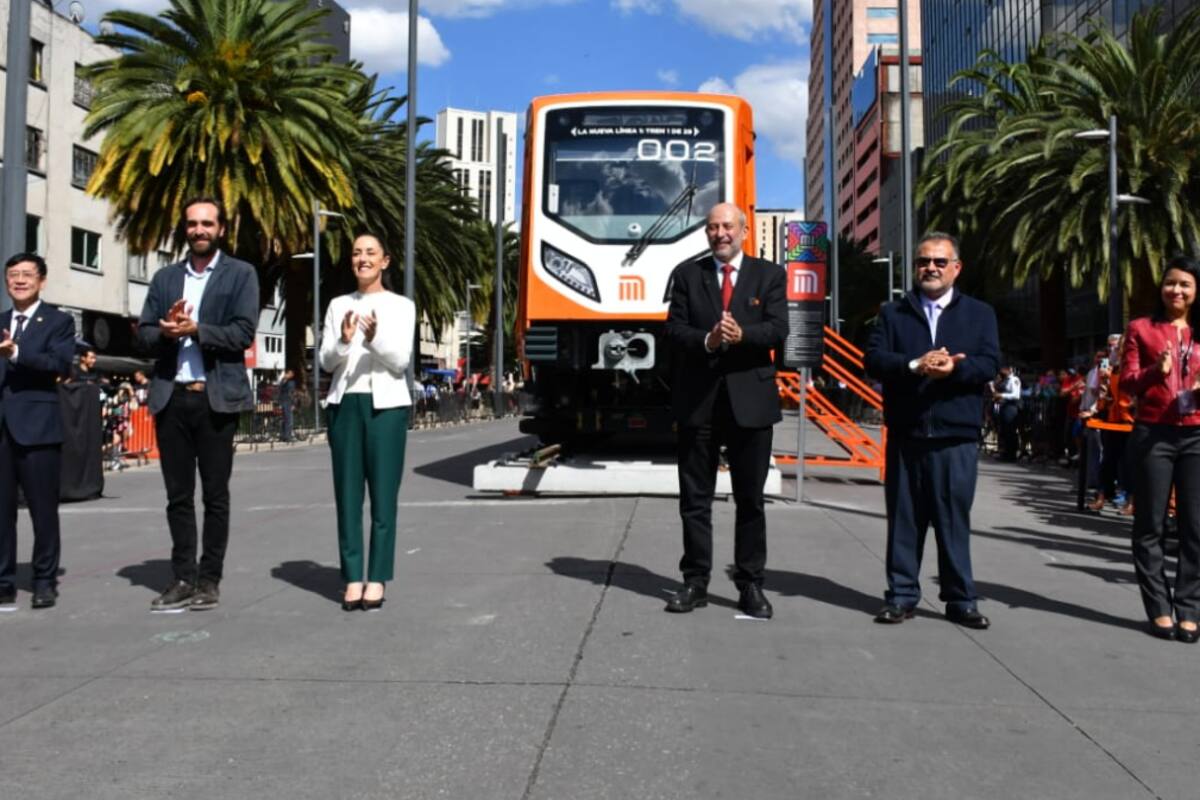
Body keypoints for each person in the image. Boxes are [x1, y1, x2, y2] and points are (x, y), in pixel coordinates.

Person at [864, 232, 1000, 629]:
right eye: (924, 261)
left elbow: (989, 363)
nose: (931, 268)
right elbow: (873, 359)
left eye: (940, 262)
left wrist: (955, 368)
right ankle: (901, 595)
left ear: (956, 268)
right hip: (907, 432)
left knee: (952, 519)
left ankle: (960, 599)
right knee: (905, 518)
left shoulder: (979, 314)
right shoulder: (893, 313)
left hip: (955, 434)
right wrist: (914, 365)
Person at [663, 202, 788, 619]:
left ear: (744, 231)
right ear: (707, 233)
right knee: (694, 500)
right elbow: (674, 331)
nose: (721, 233)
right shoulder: (686, 275)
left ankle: (750, 584)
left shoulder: (769, 275)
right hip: (698, 402)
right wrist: (709, 341)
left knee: (750, 500)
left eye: (728, 226)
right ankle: (695, 582)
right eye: (713, 227)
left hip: (750, 404)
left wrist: (742, 335)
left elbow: (778, 328)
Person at [137, 197, 259, 612]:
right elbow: (144, 335)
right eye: (192, 224)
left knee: (216, 495)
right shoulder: (166, 278)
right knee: (177, 496)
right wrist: (168, 333)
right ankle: (182, 576)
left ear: (221, 228)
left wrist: (198, 329)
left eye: (207, 223)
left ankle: (209, 579)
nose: (199, 230)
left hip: (215, 399)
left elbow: (243, 332)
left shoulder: (241, 274)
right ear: (184, 229)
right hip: (171, 397)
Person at [320, 234, 414, 611]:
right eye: (357, 253)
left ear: (385, 261)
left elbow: (400, 361)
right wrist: (344, 341)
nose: (362, 259)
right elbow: (327, 361)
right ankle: (352, 577)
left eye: (370, 253)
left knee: (383, 498)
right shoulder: (337, 305)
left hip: (387, 407)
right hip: (345, 405)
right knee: (347, 497)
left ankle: (377, 578)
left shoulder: (401, 306)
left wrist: (373, 338)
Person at [1120, 255, 1200, 643]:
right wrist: (1157, 372)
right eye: (1171, 283)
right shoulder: (1141, 329)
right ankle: (1158, 608)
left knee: (1195, 527)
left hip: (1196, 435)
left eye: (1185, 284)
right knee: (1150, 524)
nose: (1177, 290)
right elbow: (1127, 385)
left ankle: (1189, 607)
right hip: (1154, 433)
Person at [0, 253, 76, 609]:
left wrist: (15, 352)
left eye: (26, 274)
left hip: (38, 430)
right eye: (12, 274)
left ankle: (44, 580)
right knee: (1, 512)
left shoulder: (58, 322)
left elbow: (58, 364)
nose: (19, 280)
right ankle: (4, 581)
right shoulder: (0, 320)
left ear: (41, 280)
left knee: (43, 510)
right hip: (2, 431)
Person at [993, 364, 1021, 460]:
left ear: (1009, 370)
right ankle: (1005, 452)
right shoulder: (1004, 380)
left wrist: (1002, 395)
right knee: (1004, 430)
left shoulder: (1014, 380)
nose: (1002, 371)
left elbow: (1016, 395)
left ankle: (1012, 454)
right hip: (1003, 407)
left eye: (1003, 369)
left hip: (1011, 407)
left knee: (1010, 430)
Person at [277, 368, 296, 441]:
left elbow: (292, 393)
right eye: (289, 373)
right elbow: (291, 393)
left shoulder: (289, 382)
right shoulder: (285, 381)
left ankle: (286, 435)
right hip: (285, 401)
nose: (290, 375)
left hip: (287, 401)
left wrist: (293, 403)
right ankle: (285, 436)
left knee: (287, 419)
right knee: (287, 420)